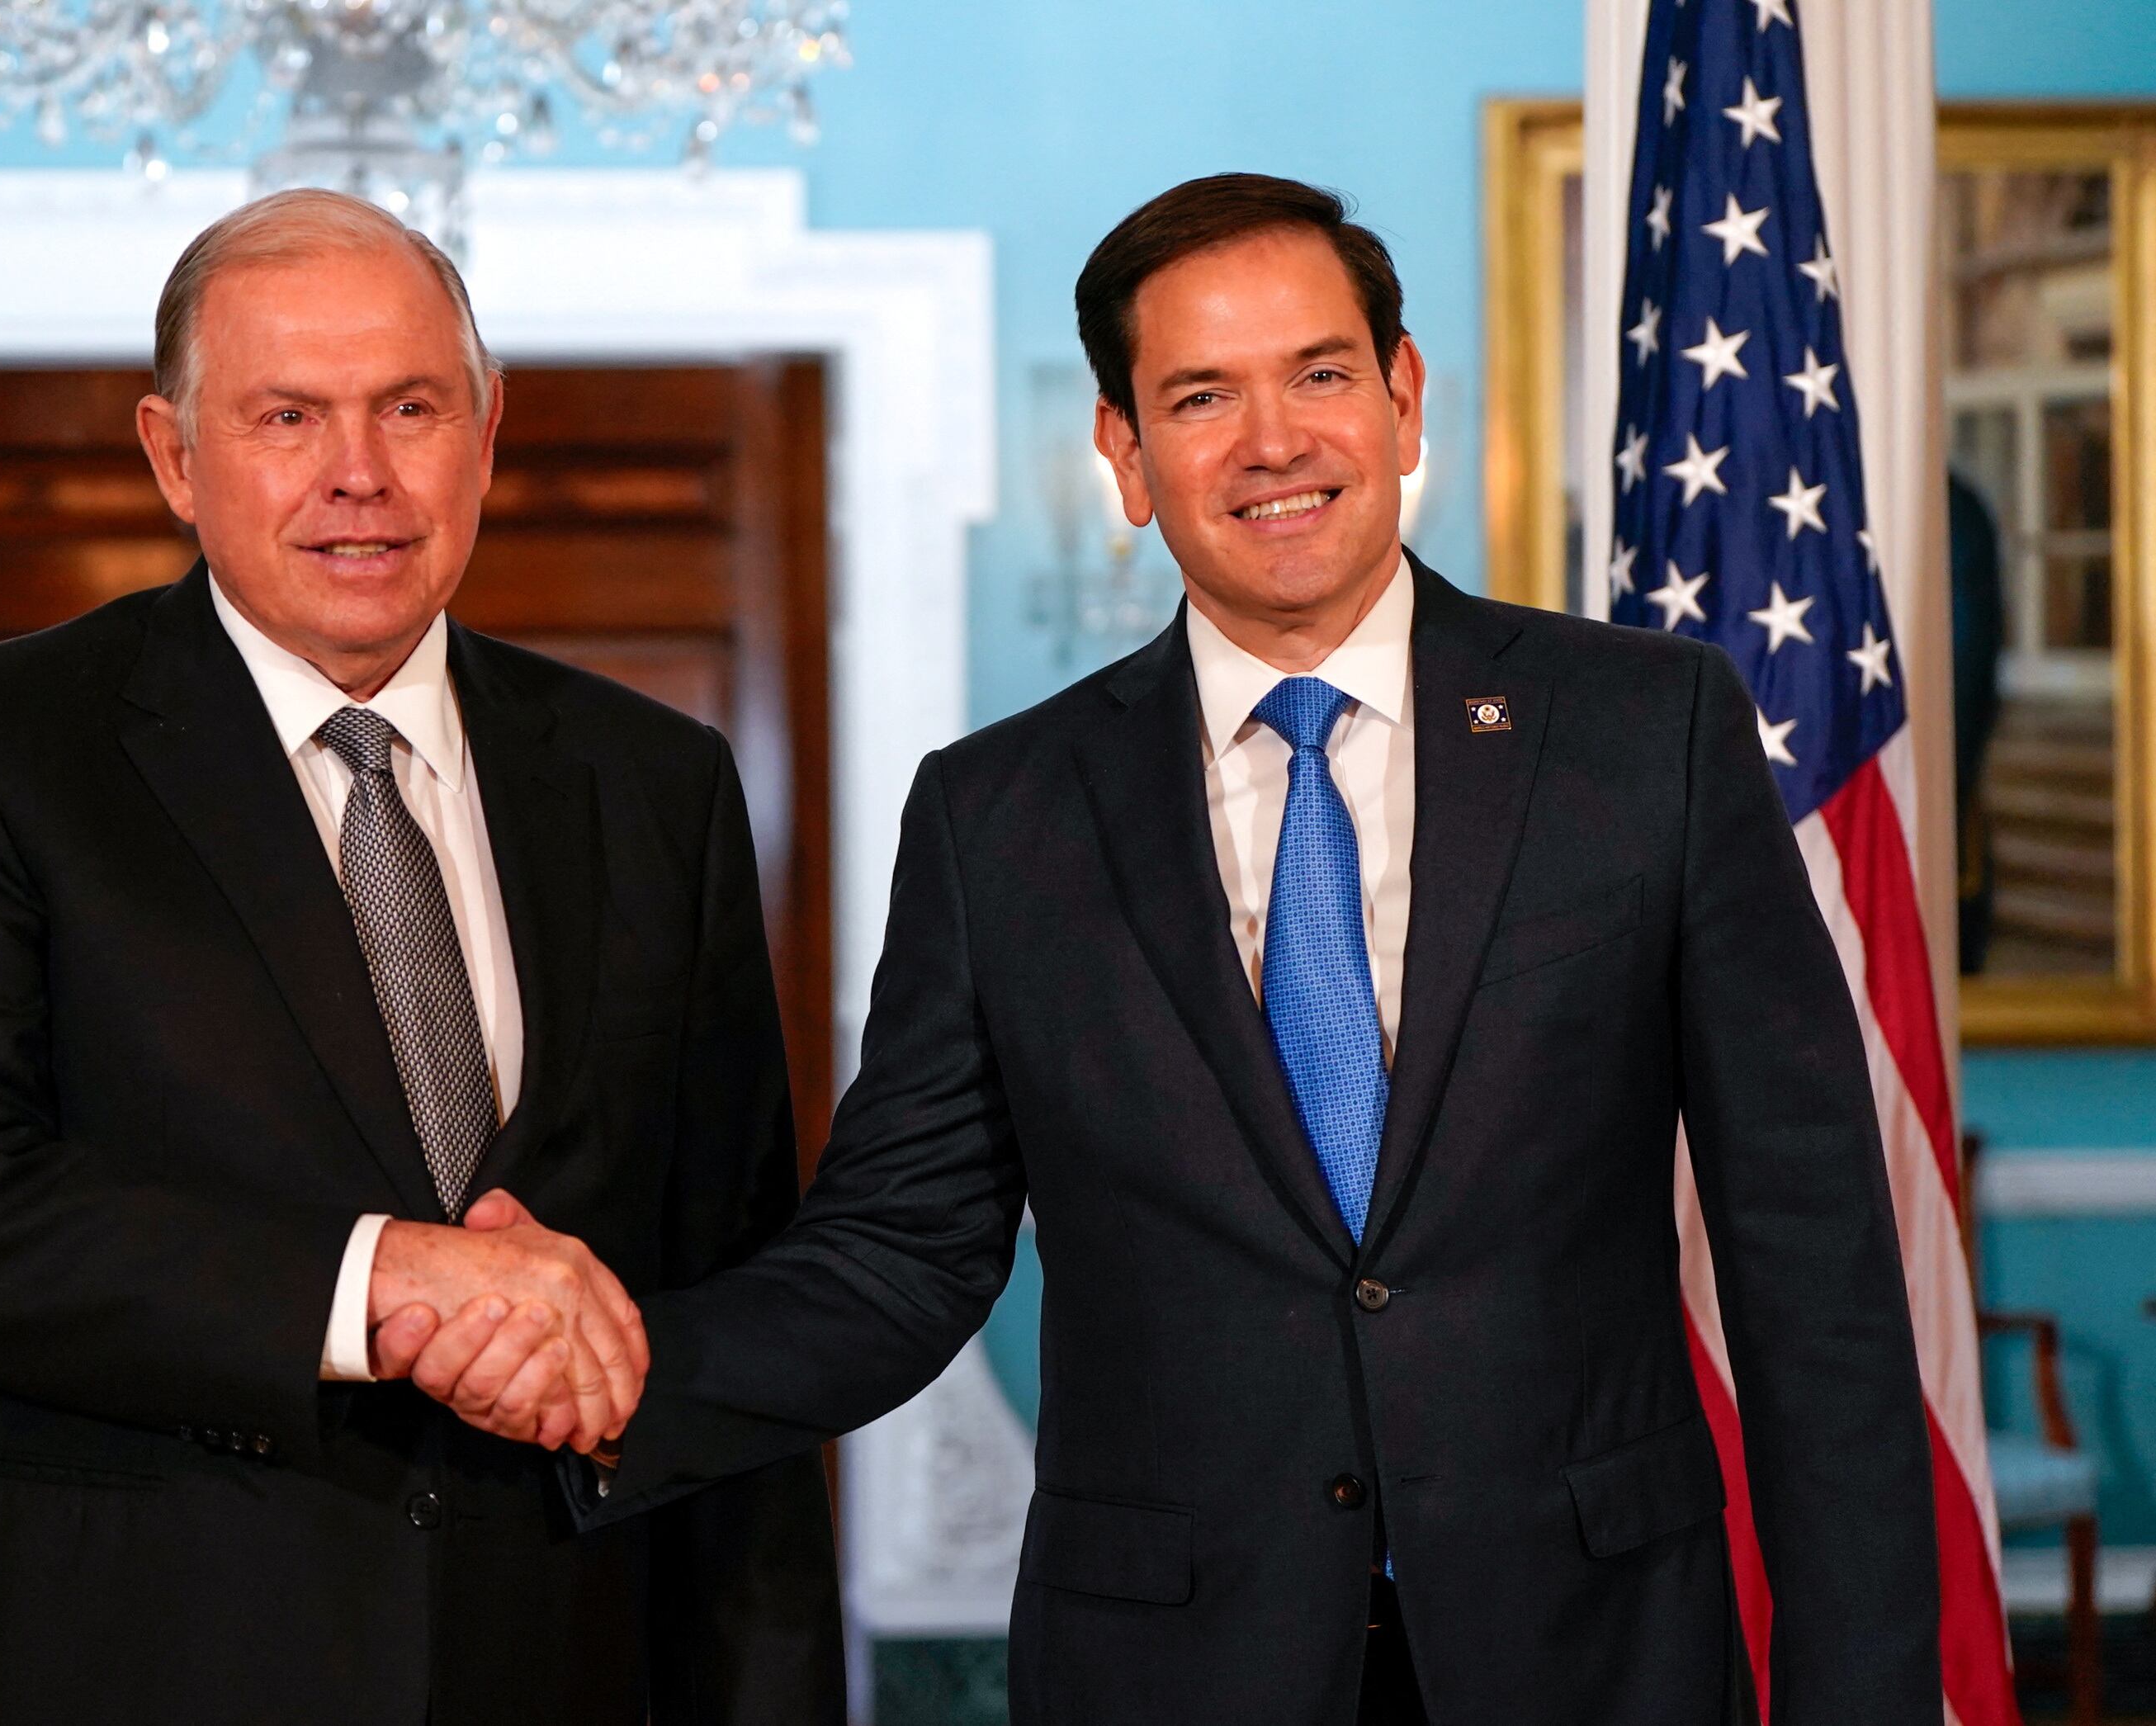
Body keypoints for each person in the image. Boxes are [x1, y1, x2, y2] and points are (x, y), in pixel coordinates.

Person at [499, 173, 1941, 1724]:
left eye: (1320, 374)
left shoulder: (1644, 733)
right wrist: (614, 1361)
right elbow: (903, 1254)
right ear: (1123, 453)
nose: (1273, 442)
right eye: (1199, 396)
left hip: (1594, 1650)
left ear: (1400, 398)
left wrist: (1860, 1693)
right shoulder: (1000, 814)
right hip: (1175, 1665)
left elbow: (1813, 1265)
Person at [0, 187, 840, 1725]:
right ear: (173, 455)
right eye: (286, 415)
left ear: (487, 434)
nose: (357, 477)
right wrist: (387, 1282)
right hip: (119, 1661)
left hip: (545, 1661)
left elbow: (724, 1291)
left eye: (409, 409)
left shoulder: (656, 781)